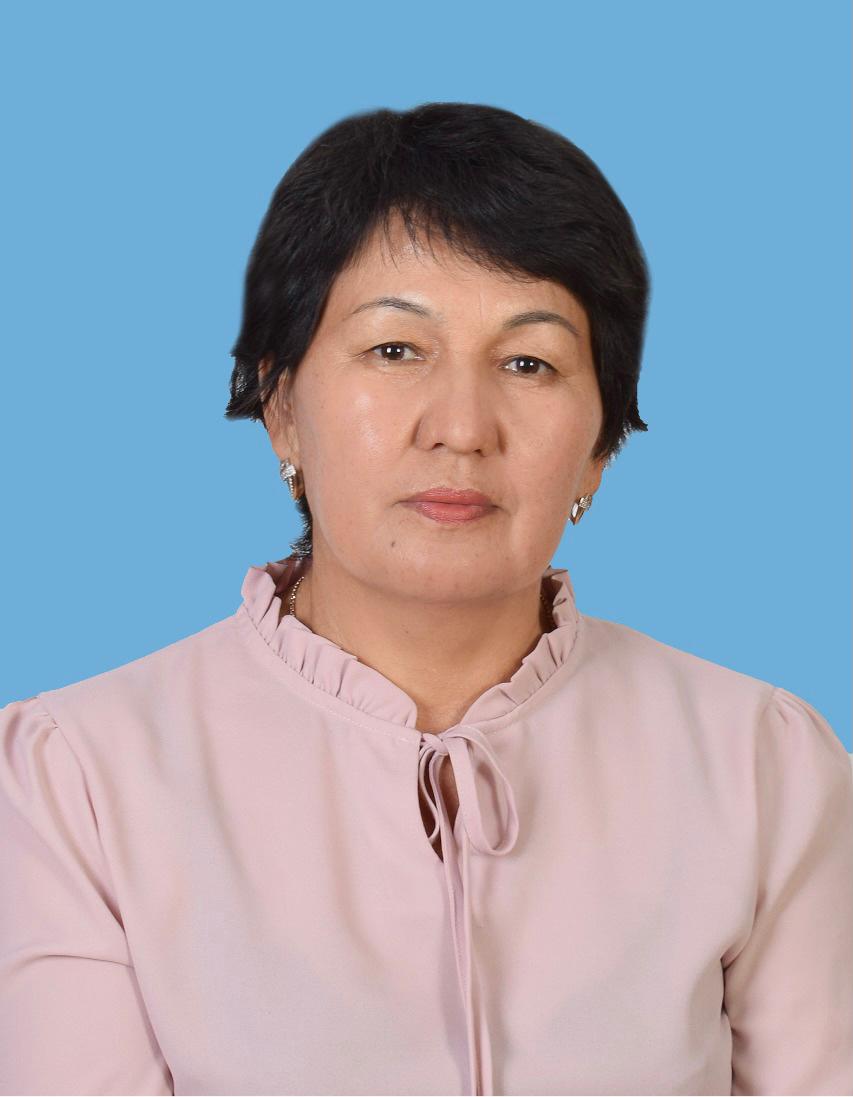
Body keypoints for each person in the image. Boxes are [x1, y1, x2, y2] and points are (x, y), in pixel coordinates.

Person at [1, 102, 851, 1097]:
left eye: (529, 362)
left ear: (600, 445)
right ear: (280, 404)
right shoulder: (75, 781)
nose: (460, 425)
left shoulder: (762, 766)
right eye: (395, 349)